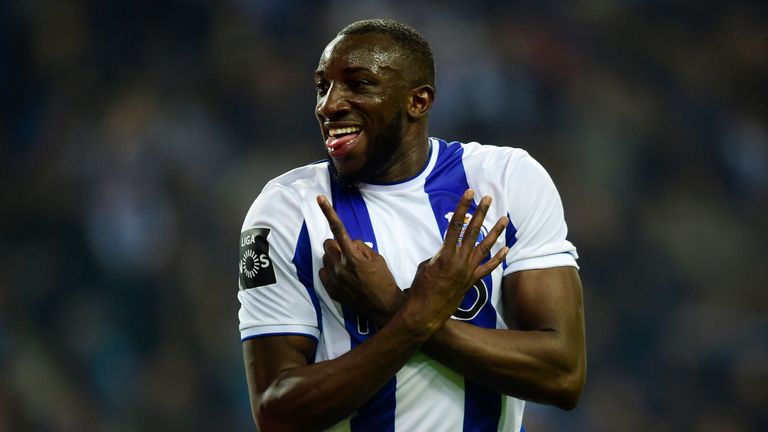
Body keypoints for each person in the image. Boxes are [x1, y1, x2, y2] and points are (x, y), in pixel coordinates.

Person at [237, 18, 586, 431]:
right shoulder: (284, 211)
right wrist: (413, 318)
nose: (329, 105)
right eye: (322, 86)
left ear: (418, 101)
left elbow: (563, 374)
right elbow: (276, 413)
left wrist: (392, 308)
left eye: (358, 84)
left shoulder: (506, 181)